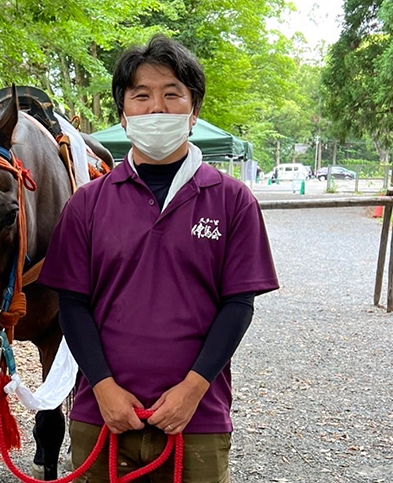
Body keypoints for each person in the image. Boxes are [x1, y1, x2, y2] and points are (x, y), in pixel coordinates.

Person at [38, 34, 279, 483]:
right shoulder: (87, 204)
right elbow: (71, 306)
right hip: (103, 414)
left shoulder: (231, 200)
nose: (157, 108)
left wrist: (193, 388)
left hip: (197, 417)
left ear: (194, 110)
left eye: (172, 94)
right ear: (124, 113)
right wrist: (105, 388)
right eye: (141, 95)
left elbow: (238, 305)